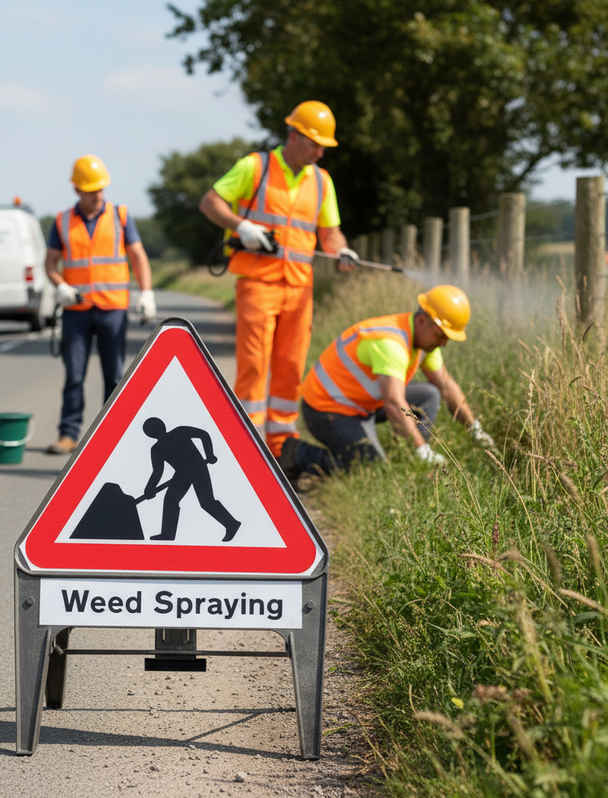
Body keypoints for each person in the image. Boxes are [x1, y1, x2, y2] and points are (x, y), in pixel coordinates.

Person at [199, 100, 357, 462]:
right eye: (315, 144)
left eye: (323, 147)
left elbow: (330, 234)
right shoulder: (254, 167)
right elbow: (210, 203)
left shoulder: (322, 181)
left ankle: (281, 447)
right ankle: (245, 446)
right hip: (257, 283)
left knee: (291, 368)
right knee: (254, 366)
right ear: (294, 135)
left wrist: (342, 251)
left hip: (299, 290)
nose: (320, 153)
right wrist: (242, 227)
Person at [277, 285, 496, 481]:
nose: (444, 343)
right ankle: (297, 454)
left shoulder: (423, 341)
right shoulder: (391, 343)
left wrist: (475, 430)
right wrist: (422, 450)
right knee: (372, 470)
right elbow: (393, 403)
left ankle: (410, 457)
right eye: (441, 335)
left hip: (362, 404)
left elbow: (447, 387)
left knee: (429, 395)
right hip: (326, 409)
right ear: (422, 320)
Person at [45, 155, 156, 454]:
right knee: (74, 376)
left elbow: (138, 256)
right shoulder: (62, 221)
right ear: (77, 190)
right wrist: (61, 286)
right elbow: (50, 263)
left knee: (115, 377)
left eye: (101, 188)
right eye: (91, 190)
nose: (98, 195)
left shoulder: (120, 215)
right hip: (76, 312)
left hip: (113, 310)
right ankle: (68, 435)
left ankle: (112, 437)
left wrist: (146, 292)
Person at [142, 417, 241, 542]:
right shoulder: (157, 449)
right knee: (170, 500)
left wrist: (209, 454)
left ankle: (231, 524)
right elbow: (157, 471)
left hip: (197, 468)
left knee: (206, 502)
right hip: (182, 474)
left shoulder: (179, 432)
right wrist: (149, 488)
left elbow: (203, 435)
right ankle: (167, 534)